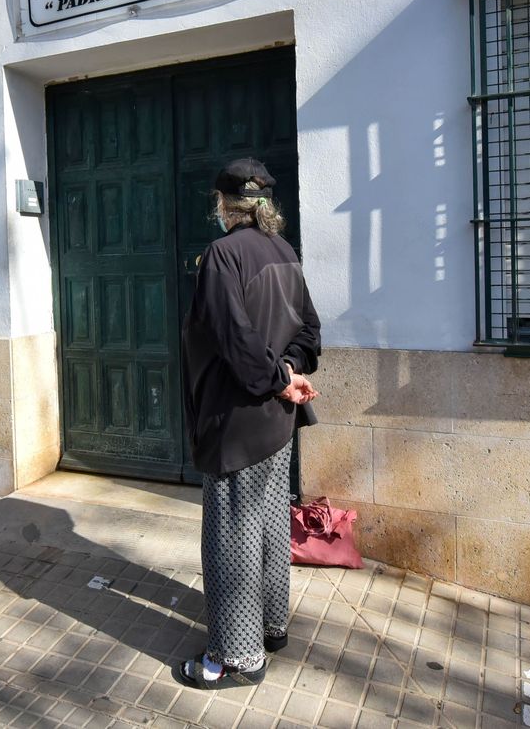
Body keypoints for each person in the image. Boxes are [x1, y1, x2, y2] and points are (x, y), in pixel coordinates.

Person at [173, 157, 322, 690]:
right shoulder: (284, 251)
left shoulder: (220, 255)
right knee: (269, 521)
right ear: (264, 206)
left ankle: (237, 657)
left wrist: (277, 379)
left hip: (237, 420)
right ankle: (272, 625)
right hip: (278, 417)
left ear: (224, 205)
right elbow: (311, 331)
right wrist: (289, 373)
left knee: (233, 529)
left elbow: (234, 339)